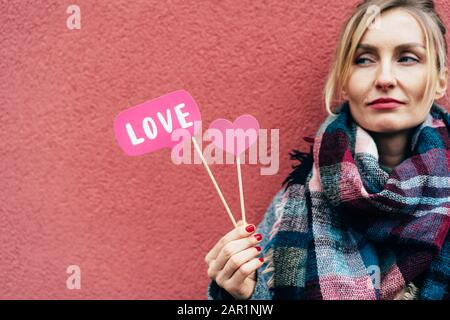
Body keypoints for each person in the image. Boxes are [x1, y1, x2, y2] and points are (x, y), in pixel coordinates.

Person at [205, 0, 449, 300]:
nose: (385, 78)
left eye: (408, 58)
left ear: (440, 80)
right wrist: (242, 296)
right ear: (345, 81)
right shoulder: (295, 203)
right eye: (364, 59)